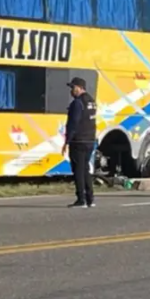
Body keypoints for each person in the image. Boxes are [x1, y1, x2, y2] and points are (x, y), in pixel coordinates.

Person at [61, 77, 97, 208]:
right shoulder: (91, 101)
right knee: (85, 169)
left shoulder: (77, 103)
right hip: (90, 140)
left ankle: (81, 199)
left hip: (79, 141)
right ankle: (90, 199)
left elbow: (73, 123)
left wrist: (67, 141)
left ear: (80, 88)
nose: (72, 90)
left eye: (73, 87)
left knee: (78, 170)